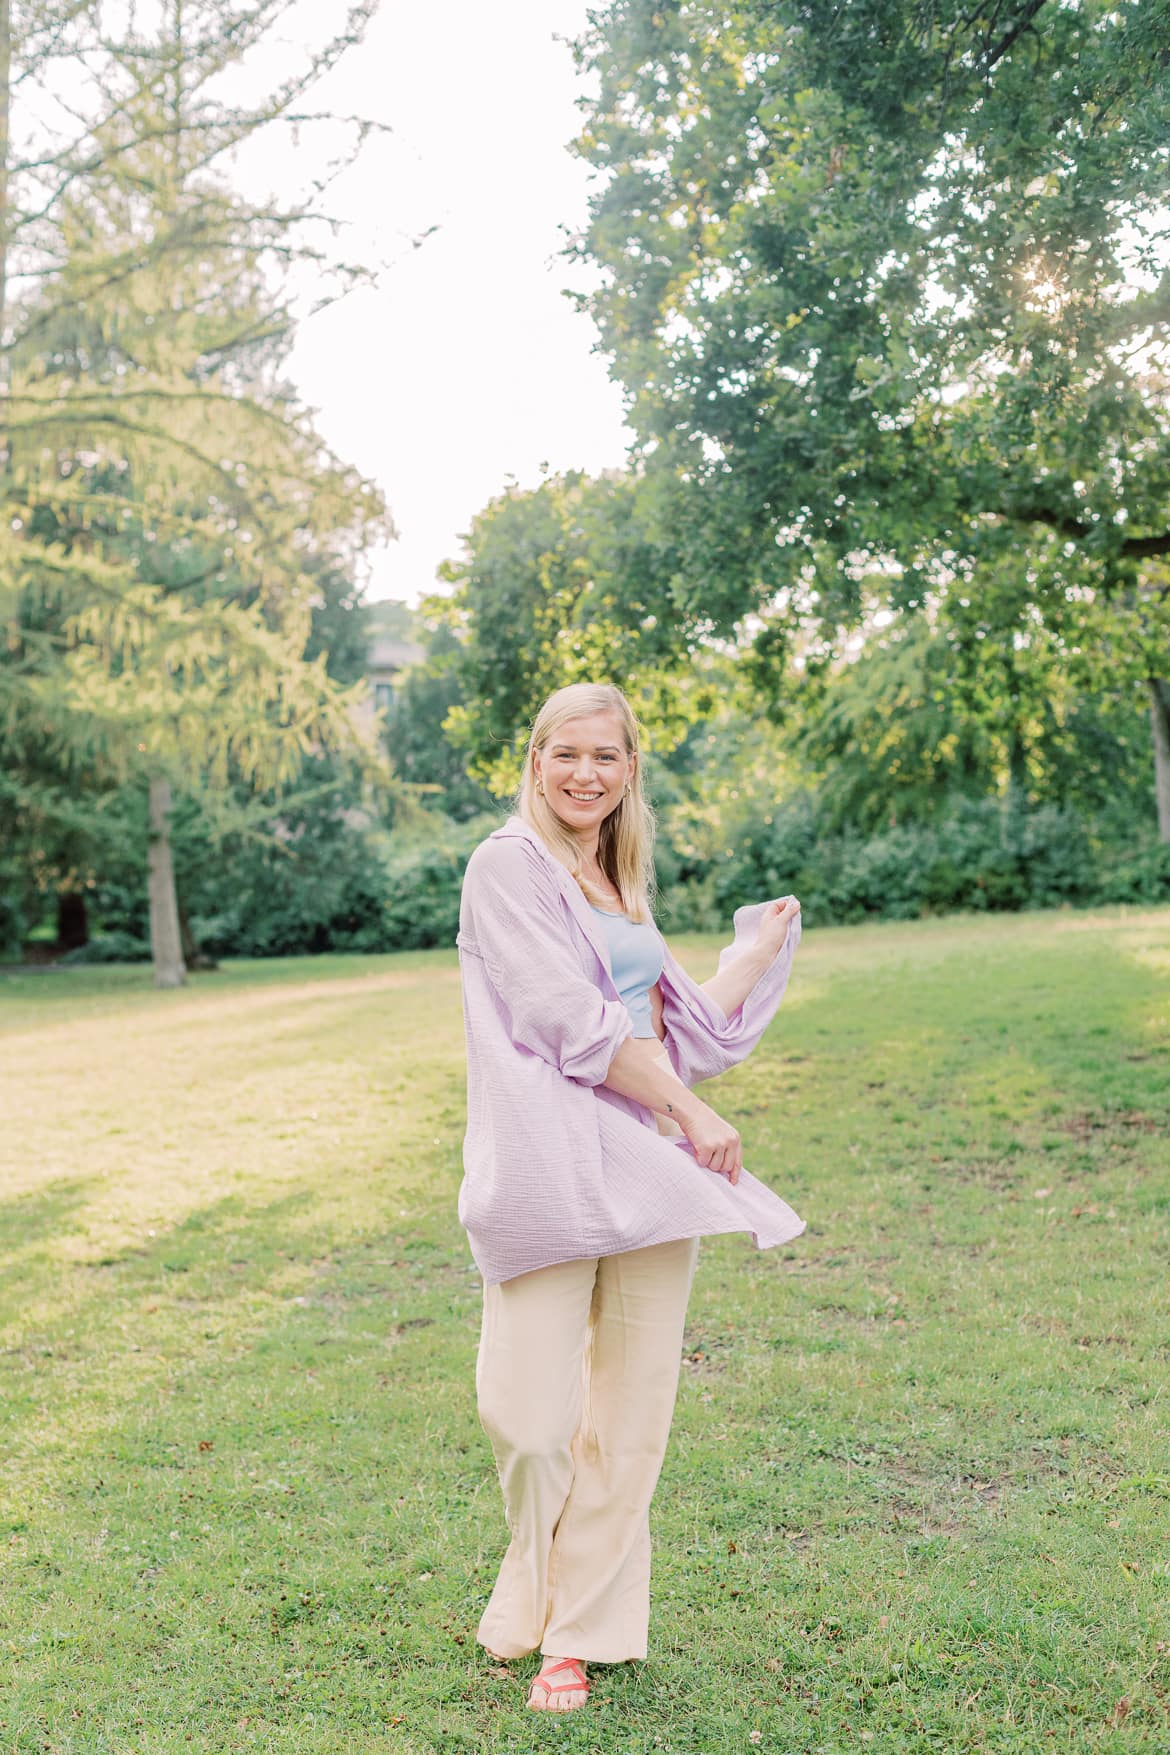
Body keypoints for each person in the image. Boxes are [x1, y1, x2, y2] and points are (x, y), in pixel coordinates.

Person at [456, 681, 804, 1713]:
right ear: (534, 758)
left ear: (630, 770)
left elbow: (670, 1033)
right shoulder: (505, 867)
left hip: (646, 1177)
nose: (584, 774)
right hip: (547, 1171)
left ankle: (577, 1633)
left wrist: (748, 955)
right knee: (526, 1418)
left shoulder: (616, 878)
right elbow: (569, 1020)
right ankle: (533, 1586)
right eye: (566, 754)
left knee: (632, 1412)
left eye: (605, 757)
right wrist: (695, 1119)